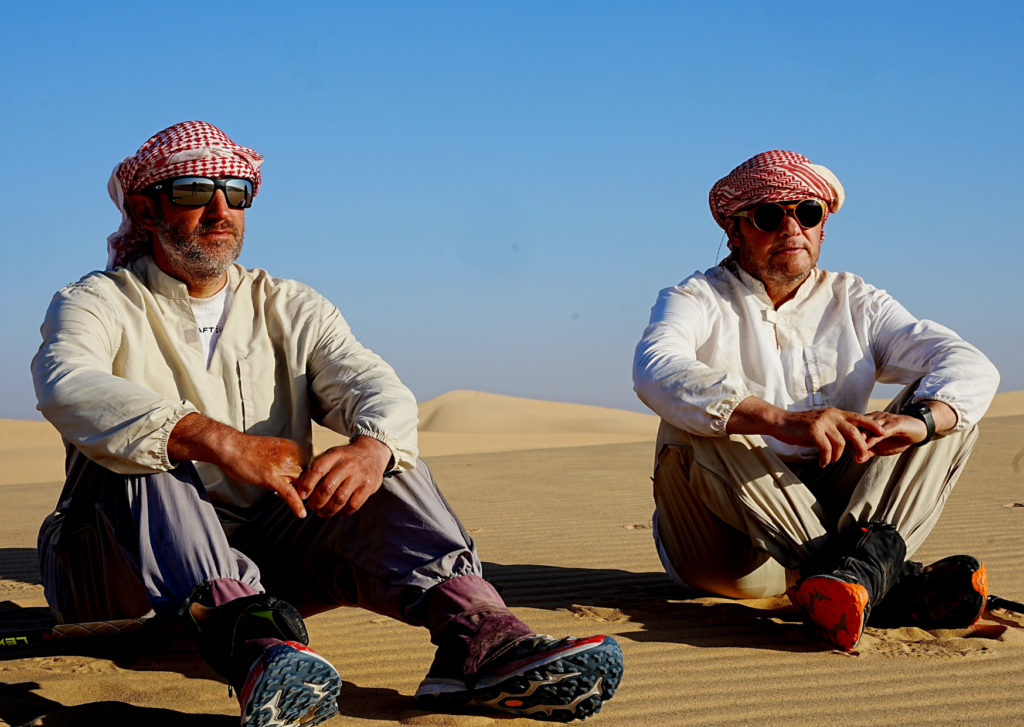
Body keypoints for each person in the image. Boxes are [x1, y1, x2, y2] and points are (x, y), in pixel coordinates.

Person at [33, 121, 623, 726]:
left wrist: (371, 448)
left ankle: (482, 641)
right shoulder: (97, 301)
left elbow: (373, 384)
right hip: (111, 570)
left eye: (236, 194)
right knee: (142, 453)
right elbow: (66, 382)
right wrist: (217, 441)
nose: (220, 210)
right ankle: (258, 649)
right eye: (192, 192)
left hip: (260, 557)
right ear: (144, 207)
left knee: (385, 463)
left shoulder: (290, 305)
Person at [632, 150, 999, 651]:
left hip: (834, 512)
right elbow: (655, 368)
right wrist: (779, 420)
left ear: (823, 227)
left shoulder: (857, 301)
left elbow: (968, 363)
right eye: (768, 216)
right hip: (730, 550)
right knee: (692, 423)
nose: (791, 228)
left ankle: (855, 580)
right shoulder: (696, 298)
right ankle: (878, 579)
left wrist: (918, 424)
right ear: (736, 231)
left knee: (947, 412)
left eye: (806, 213)